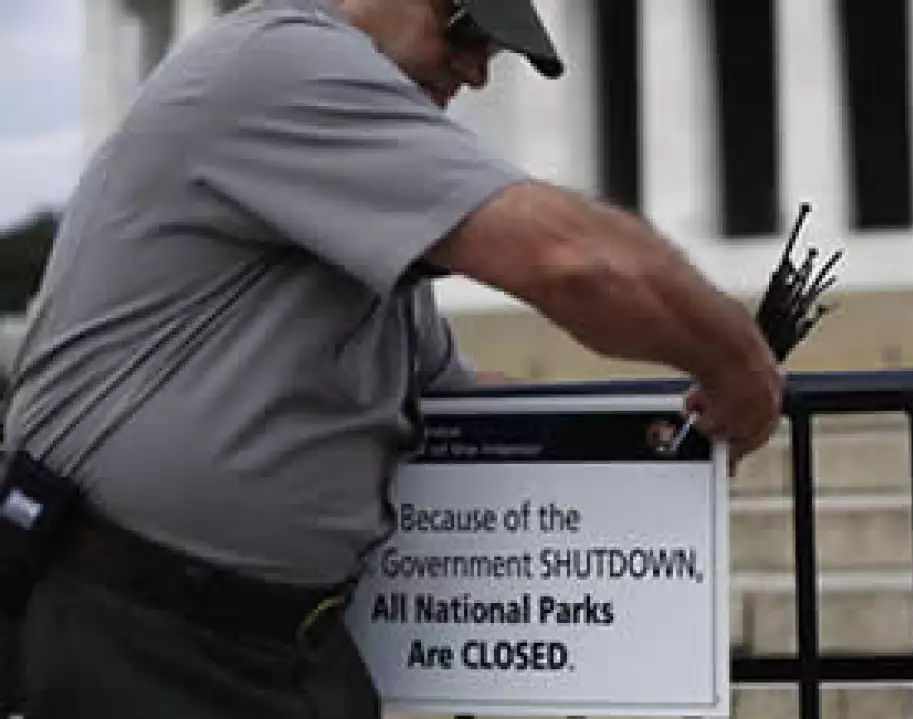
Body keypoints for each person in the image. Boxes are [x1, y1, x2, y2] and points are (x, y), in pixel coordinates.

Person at [2, 0, 783, 717]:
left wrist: (641, 433)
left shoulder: (367, 230)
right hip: (131, 623)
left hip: (280, 647)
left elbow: (453, 397)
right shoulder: (278, 62)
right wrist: (738, 363)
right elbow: (575, 263)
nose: (477, 71)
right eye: (466, 29)